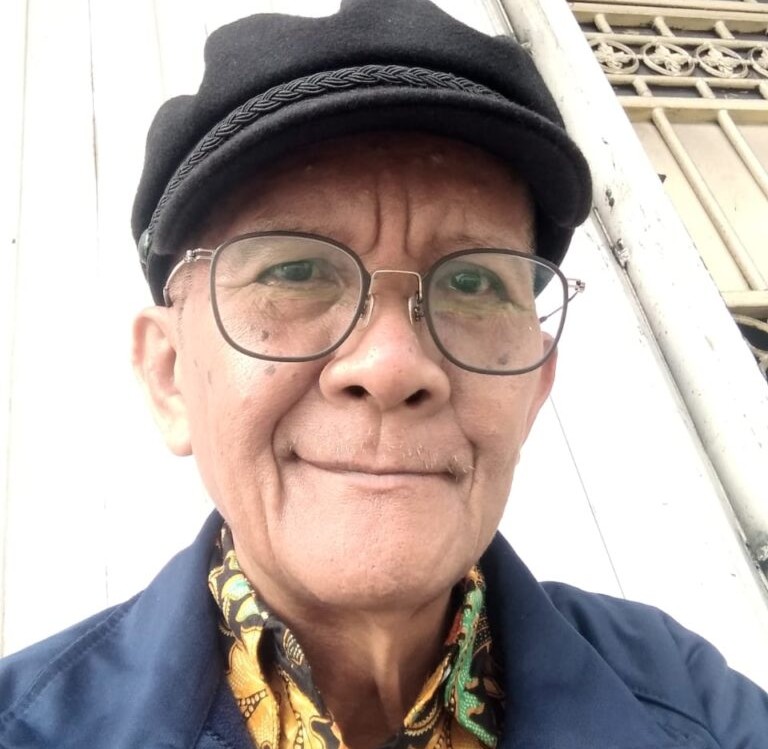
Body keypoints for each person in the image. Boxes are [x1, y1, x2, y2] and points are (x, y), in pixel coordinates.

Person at [1, 1, 766, 747]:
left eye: (473, 283)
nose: (393, 364)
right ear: (170, 375)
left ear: (533, 389)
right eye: (295, 271)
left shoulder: (695, 705)